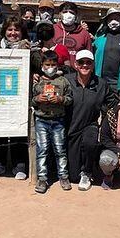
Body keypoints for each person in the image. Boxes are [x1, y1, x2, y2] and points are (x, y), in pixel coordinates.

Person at [64, 50, 118, 190]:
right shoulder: (66, 80)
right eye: (81, 62)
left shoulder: (101, 84)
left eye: (88, 62)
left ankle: (87, 172)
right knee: (73, 176)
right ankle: (77, 171)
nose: (85, 65)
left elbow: (115, 104)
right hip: (70, 128)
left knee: (90, 140)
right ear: (76, 64)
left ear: (93, 65)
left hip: (90, 125)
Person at [0, 15, 30, 180]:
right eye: (10, 29)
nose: (13, 33)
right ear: (4, 31)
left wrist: (30, 52)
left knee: (19, 131)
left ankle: (20, 164)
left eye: (17, 30)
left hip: (20, 97)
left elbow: (39, 66)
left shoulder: (27, 46)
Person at [33, 50, 73, 193]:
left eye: (53, 64)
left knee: (60, 149)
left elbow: (70, 99)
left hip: (58, 121)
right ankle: (42, 179)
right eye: (47, 64)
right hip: (41, 120)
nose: (50, 67)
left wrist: (61, 99)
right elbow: (32, 99)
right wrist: (37, 99)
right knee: (42, 150)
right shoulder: (37, 82)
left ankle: (63, 176)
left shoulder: (63, 81)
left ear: (58, 65)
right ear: (42, 65)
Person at [93, 7, 120, 92]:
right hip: (100, 81)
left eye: (116, 18)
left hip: (118, 83)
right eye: (111, 19)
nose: (113, 21)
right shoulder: (99, 37)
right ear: (106, 22)